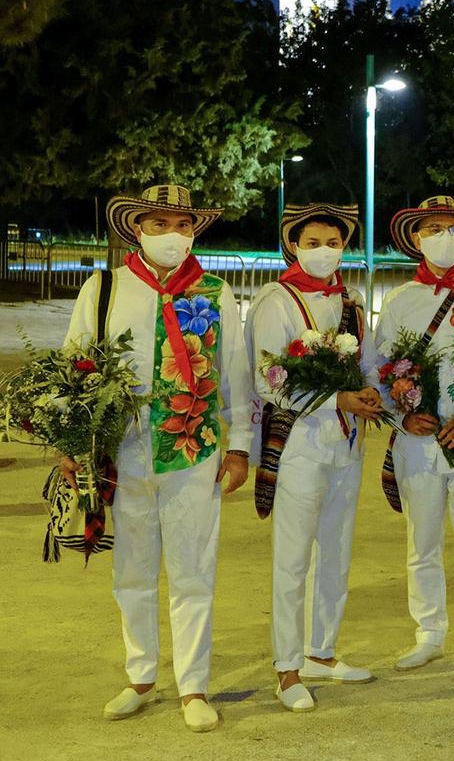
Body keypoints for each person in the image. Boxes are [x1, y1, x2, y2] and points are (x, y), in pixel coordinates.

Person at [61, 184, 252, 733]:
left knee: (194, 572)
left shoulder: (216, 293)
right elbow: (74, 367)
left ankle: (194, 685)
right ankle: (140, 677)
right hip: (122, 454)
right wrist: (73, 444)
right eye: (160, 223)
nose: (173, 235)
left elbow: (236, 375)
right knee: (133, 571)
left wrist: (239, 446)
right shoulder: (102, 290)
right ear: (137, 229)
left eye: (183, 225)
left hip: (193, 452)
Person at [247, 203, 384, 712]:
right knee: (293, 557)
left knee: (337, 550)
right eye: (314, 242)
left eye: (334, 242)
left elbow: (367, 361)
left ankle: (320, 652)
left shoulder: (350, 299)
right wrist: (336, 400)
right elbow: (267, 380)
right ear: (293, 246)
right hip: (300, 444)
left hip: (346, 445)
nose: (325, 251)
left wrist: (372, 393)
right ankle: (286, 668)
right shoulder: (274, 301)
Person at [371, 196, 454, 675]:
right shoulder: (400, 298)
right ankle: (428, 633)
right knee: (421, 543)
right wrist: (399, 417)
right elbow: (379, 370)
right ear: (416, 237)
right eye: (432, 228)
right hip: (416, 442)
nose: (443, 236)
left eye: (451, 228)